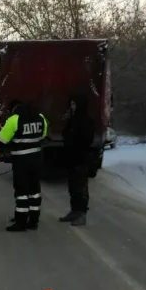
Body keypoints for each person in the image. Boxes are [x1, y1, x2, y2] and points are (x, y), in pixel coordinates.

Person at [0, 102, 48, 232]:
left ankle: (20, 221)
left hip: (21, 161)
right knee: (34, 190)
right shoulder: (41, 117)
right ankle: (33, 220)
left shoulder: (14, 119)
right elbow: (43, 136)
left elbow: (2, 139)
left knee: (21, 192)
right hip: (37, 159)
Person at [59, 94, 94, 226]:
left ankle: (81, 214)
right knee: (73, 187)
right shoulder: (72, 120)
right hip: (71, 158)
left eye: (74, 104)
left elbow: (86, 140)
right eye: (71, 104)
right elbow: (66, 135)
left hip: (81, 158)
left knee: (80, 187)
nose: (72, 107)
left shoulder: (86, 121)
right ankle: (74, 211)